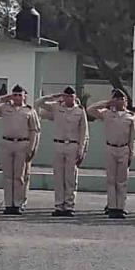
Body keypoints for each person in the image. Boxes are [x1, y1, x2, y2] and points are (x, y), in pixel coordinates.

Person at [0, 85, 40, 215]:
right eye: (15, 95)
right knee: (7, 176)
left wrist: (32, 148)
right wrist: (3, 98)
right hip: (7, 143)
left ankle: (18, 204)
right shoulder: (5, 108)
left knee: (19, 176)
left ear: (24, 96)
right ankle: (8, 204)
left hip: (22, 144)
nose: (17, 97)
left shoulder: (29, 111)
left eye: (19, 95)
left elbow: (35, 130)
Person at [36, 87, 89, 217]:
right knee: (58, 177)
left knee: (70, 178)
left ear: (75, 97)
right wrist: (54, 95)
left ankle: (69, 206)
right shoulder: (56, 107)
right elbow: (38, 103)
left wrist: (82, 150)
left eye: (71, 96)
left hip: (73, 146)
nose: (68, 98)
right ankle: (59, 206)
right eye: (66, 96)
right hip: (59, 144)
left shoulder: (80, 111)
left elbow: (84, 132)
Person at [87, 89, 135, 219]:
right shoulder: (107, 113)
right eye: (117, 99)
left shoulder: (131, 116)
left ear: (126, 101)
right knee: (111, 180)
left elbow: (134, 137)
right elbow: (90, 110)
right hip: (110, 147)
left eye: (122, 99)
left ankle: (120, 207)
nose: (120, 101)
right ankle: (112, 207)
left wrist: (132, 153)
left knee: (122, 181)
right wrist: (107, 103)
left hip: (124, 149)